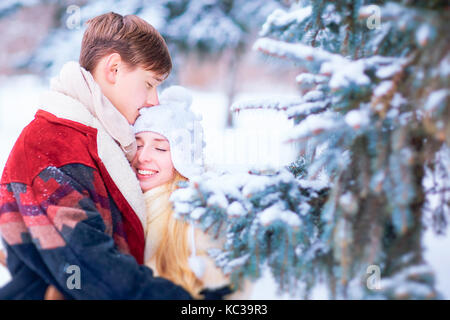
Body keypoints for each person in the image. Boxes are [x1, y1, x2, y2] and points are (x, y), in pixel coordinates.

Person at [0, 12, 192, 299]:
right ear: (113, 69)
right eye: (150, 84)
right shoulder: (50, 146)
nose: (154, 101)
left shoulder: (99, 141)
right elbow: (89, 270)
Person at [132, 86, 252, 299]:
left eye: (160, 148)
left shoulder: (197, 219)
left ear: (183, 158)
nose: (143, 157)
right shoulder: (126, 201)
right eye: (138, 144)